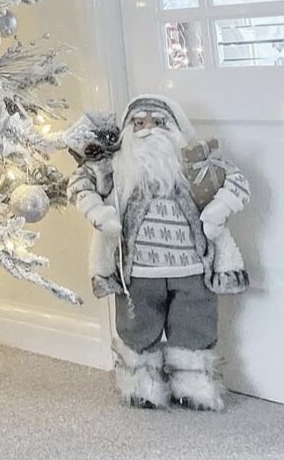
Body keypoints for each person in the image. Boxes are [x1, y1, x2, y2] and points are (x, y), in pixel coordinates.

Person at [68, 95, 249, 410]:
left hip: (192, 270)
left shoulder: (196, 161)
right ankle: (142, 384)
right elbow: (79, 184)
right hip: (138, 273)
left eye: (157, 122)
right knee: (137, 329)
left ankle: (193, 385)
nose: (147, 130)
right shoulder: (115, 168)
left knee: (195, 325)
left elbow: (237, 182)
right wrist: (98, 212)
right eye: (138, 123)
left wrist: (219, 210)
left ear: (176, 126)